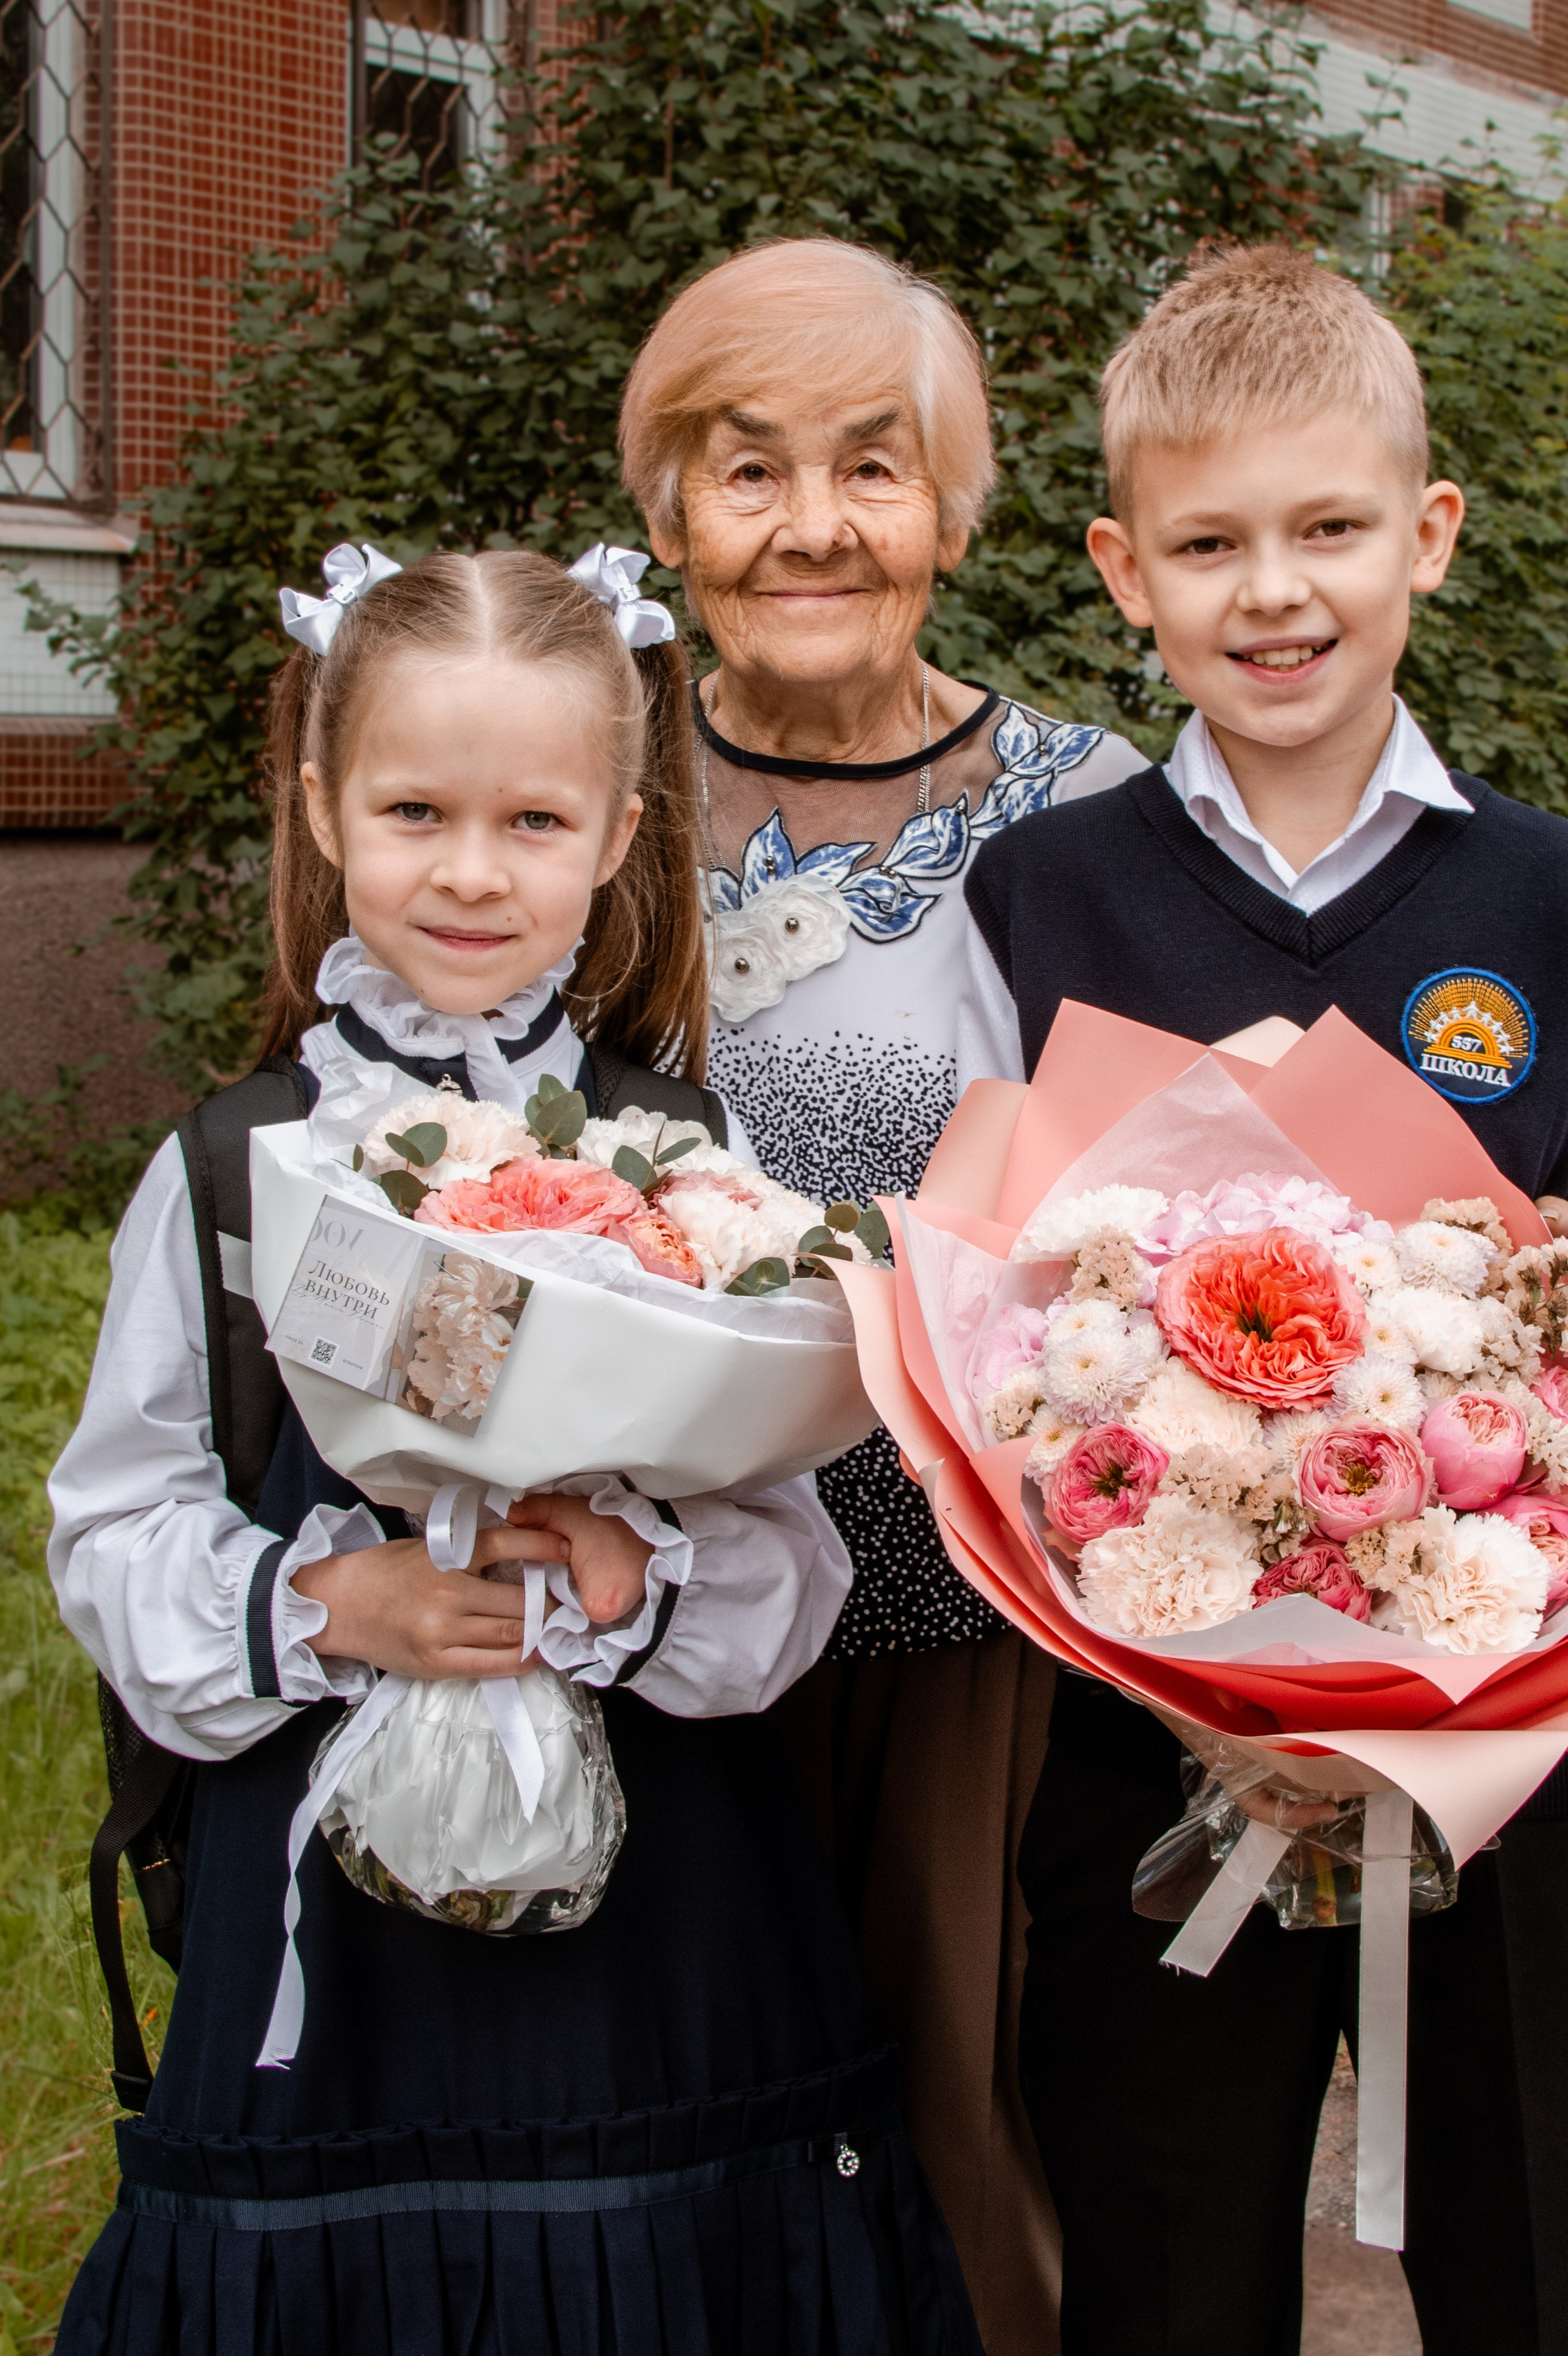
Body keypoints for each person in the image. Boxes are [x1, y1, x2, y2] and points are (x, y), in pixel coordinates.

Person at [961, 244, 1568, 2356]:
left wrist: (1465, 1620)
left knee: (1528, 2285)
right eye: (1210, 543)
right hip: (1158, 1753)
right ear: (1126, 575)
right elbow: (987, 1325)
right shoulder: (1044, 898)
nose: (1275, 591)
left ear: (1428, 538)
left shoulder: (1566, 906)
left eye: (1328, 529)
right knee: (1166, 2280)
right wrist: (1201, 1657)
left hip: (1517, 1758)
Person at [49, 546, 982, 2353]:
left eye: (534, 819)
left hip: (662, 1942)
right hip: (329, 1938)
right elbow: (116, 1522)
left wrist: (647, 1586)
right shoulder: (236, 1167)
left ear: (620, 827)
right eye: (413, 808)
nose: (471, 870)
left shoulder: (692, 1153)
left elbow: (797, 1548)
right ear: (325, 808)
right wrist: (334, 1608)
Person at [618, 237, 1145, 2352]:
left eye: (874, 467)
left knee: (955, 2074)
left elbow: (1152, 1195)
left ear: (957, 507)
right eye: (748, 473)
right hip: (638, 1577)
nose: (815, 526)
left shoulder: (1085, 814)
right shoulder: (591, 771)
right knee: (658, 2075)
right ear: (670, 513)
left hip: (954, 1591)